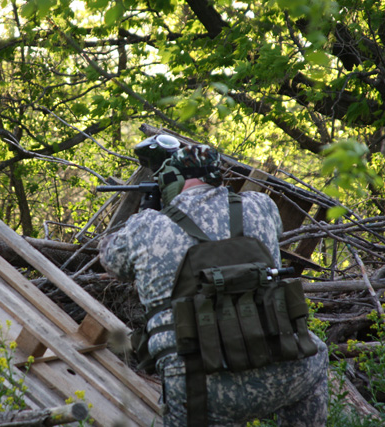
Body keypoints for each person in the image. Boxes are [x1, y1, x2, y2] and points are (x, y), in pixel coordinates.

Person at [100, 141, 329, 426]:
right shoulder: (260, 206)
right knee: (318, 353)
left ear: (171, 178)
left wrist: (148, 209)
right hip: (285, 370)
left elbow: (109, 260)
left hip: (200, 390)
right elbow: (268, 227)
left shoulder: (149, 226)